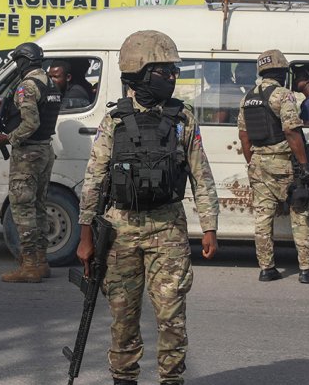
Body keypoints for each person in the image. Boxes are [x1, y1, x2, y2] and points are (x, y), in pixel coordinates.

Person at [76, 30, 219, 385]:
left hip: (168, 228)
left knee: (171, 314)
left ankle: (172, 379)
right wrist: (84, 236)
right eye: (163, 71)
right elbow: (93, 179)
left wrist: (210, 226)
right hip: (120, 230)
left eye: (173, 71)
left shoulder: (183, 119)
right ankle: (123, 378)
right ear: (138, 73)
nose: (172, 78)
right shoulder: (114, 121)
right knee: (123, 316)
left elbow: (201, 175)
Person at [238, 49, 309, 284]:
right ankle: (306, 269)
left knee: (263, 218)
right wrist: (304, 167)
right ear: (282, 72)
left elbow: (244, 137)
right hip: (283, 164)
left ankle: (267, 268)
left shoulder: (247, 98)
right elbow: (291, 131)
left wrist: (253, 162)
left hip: (257, 163)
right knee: (299, 212)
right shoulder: (283, 95)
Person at [0, 42, 62, 283]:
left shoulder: (27, 86)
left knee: (22, 207)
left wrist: (7, 138)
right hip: (45, 149)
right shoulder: (50, 82)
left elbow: (30, 124)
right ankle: (41, 261)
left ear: (23, 61)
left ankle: (30, 265)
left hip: (28, 153)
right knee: (39, 206)